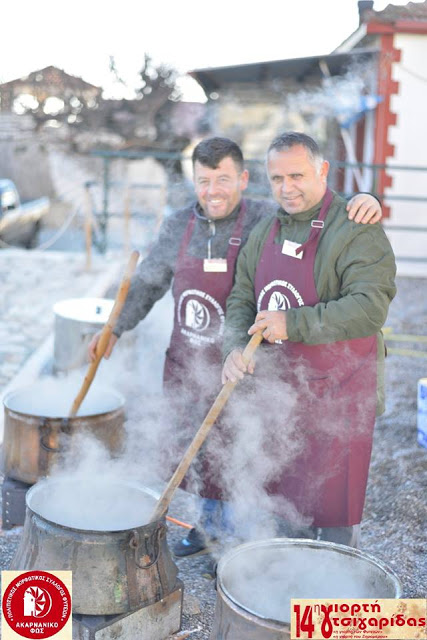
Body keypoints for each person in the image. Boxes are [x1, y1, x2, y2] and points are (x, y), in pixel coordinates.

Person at [88, 136, 384, 556]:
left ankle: (244, 542)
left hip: (253, 362)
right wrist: (115, 327)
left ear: (243, 179)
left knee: (246, 453)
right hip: (194, 358)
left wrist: (365, 198)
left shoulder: (265, 217)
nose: (213, 191)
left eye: (223, 179)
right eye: (203, 181)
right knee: (199, 449)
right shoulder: (178, 226)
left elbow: (315, 210)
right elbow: (151, 280)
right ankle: (208, 531)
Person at [221, 132, 396, 547]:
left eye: (297, 175)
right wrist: (232, 347)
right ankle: (282, 593)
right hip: (279, 392)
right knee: (283, 502)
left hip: (341, 391)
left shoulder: (356, 227)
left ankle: (328, 595)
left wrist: (292, 323)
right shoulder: (265, 230)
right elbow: (241, 297)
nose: (286, 188)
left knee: (332, 512)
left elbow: (370, 307)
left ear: (322, 171)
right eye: (277, 178)